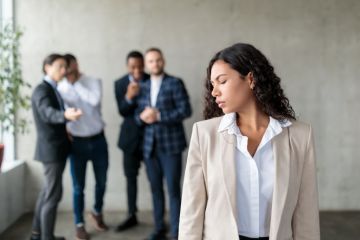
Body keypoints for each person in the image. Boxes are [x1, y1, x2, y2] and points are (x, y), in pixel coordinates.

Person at [179, 43, 320, 240]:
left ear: (250, 79)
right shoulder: (204, 134)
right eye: (212, 85)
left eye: (222, 81)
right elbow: (191, 211)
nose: (214, 92)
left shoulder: (299, 136)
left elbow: (306, 214)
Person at [135, 48, 192, 240]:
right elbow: (137, 116)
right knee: (155, 189)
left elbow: (185, 110)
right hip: (149, 147)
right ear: (146, 64)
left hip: (171, 146)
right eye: (151, 61)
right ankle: (159, 228)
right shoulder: (142, 86)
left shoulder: (174, 83)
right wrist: (142, 117)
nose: (155, 64)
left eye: (158, 60)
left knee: (174, 190)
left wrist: (158, 115)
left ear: (163, 61)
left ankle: (177, 232)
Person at [31, 53, 82, 240]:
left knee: (47, 193)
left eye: (65, 67)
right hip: (51, 151)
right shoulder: (42, 90)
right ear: (47, 67)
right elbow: (47, 114)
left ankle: (37, 234)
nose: (64, 70)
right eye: (60, 66)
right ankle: (46, 237)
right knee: (53, 196)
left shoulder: (52, 88)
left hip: (55, 148)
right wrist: (65, 116)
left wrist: (64, 127)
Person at [57, 54, 108, 240]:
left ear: (76, 65)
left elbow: (93, 101)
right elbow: (60, 113)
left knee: (101, 182)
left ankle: (96, 211)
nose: (66, 71)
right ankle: (79, 224)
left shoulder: (92, 81)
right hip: (76, 143)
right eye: (63, 68)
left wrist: (75, 82)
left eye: (69, 67)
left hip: (98, 140)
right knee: (78, 187)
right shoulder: (60, 88)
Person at [114, 51, 150, 231]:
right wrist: (128, 96)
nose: (137, 70)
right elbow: (122, 112)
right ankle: (131, 214)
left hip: (152, 139)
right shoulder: (120, 83)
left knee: (156, 179)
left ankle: (160, 219)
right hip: (129, 140)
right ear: (128, 66)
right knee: (130, 178)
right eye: (133, 67)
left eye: (139, 66)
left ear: (144, 65)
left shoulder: (152, 80)